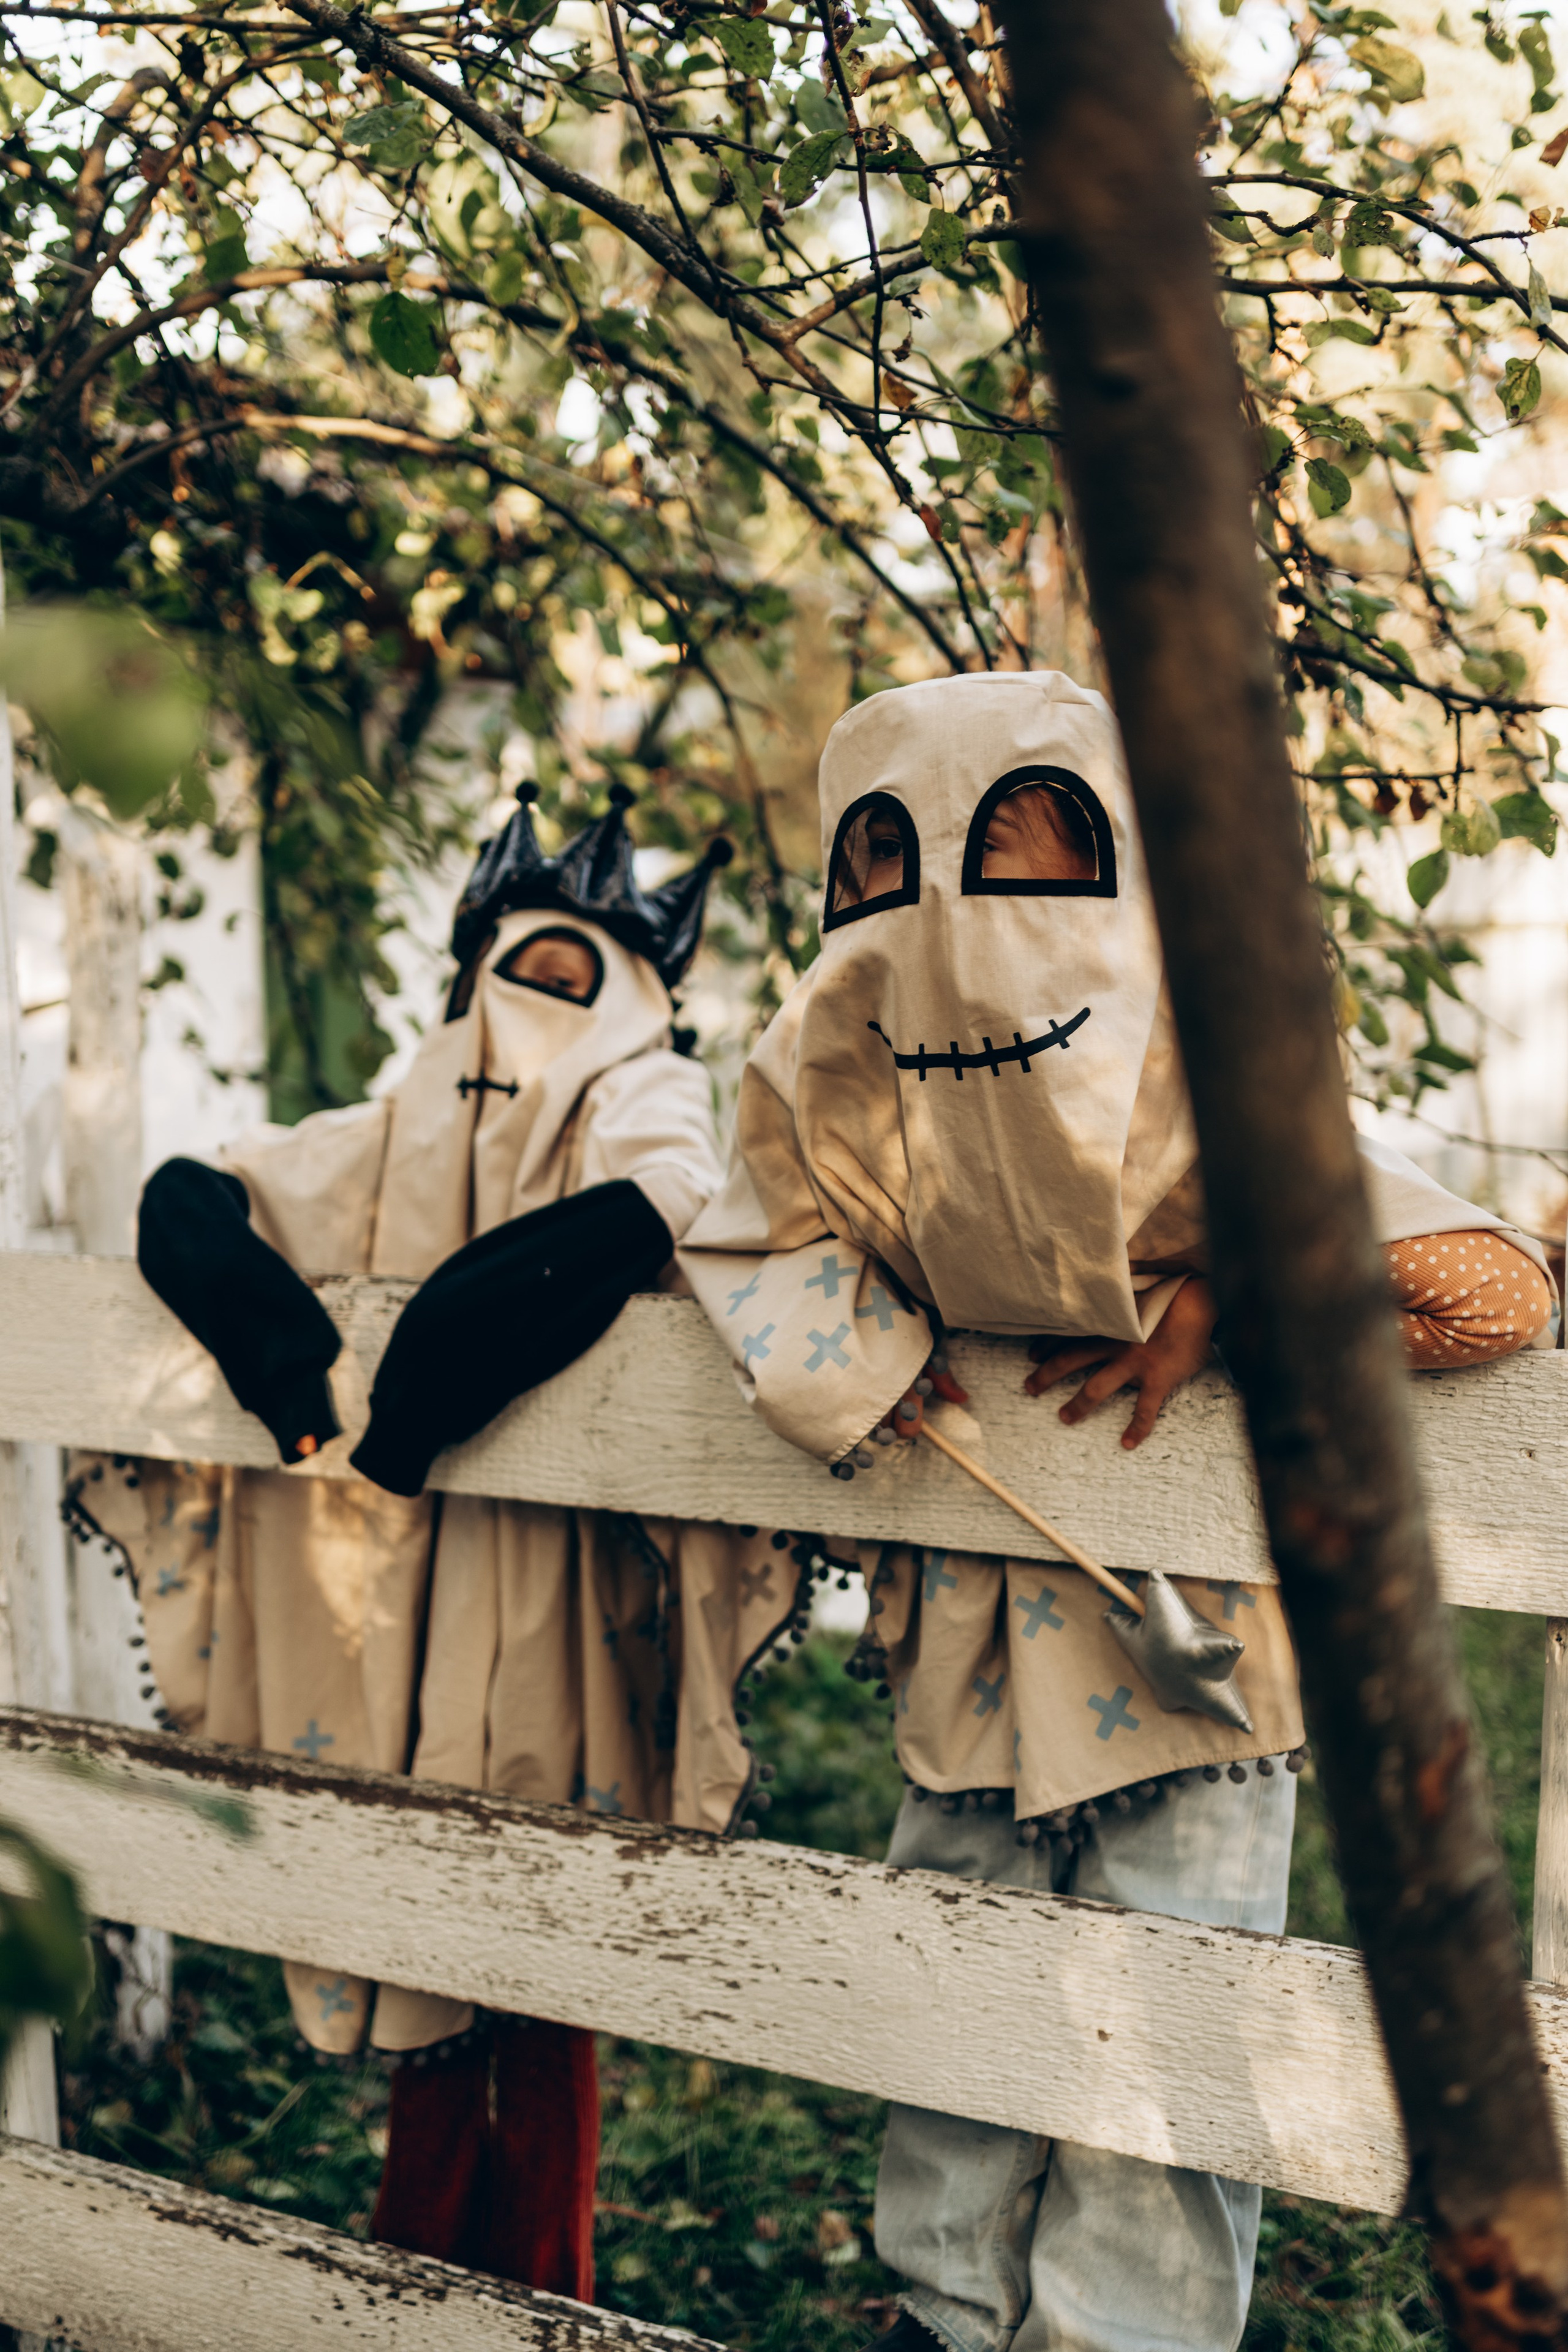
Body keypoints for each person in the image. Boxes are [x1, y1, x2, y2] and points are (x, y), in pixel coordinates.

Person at [679, 669, 1555, 2352]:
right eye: (896, 866)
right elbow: (756, 1238)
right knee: (956, 2002)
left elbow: (1483, 1295)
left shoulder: (1210, 1060)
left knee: (1173, 2037)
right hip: (958, 1655)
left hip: (1197, 1676)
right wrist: (867, 1362)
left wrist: (1232, 1278)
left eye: (1024, 860)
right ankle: (939, 2318)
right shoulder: (828, 1070)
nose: (953, 919)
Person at [67, 783, 806, 2297]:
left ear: (641, 1000)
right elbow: (212, 1196)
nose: (541, 999)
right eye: (520, 964)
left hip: (564, 1594)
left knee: (536, 1927)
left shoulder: (644, 1100)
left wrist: (418, 1397)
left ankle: (541, 2284)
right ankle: (413, 2278)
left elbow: (652, 1204)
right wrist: (282, 1350)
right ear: (471, 972)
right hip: (407, 1596)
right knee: (416, 1913)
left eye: (581, 973)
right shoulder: (404, 1112)